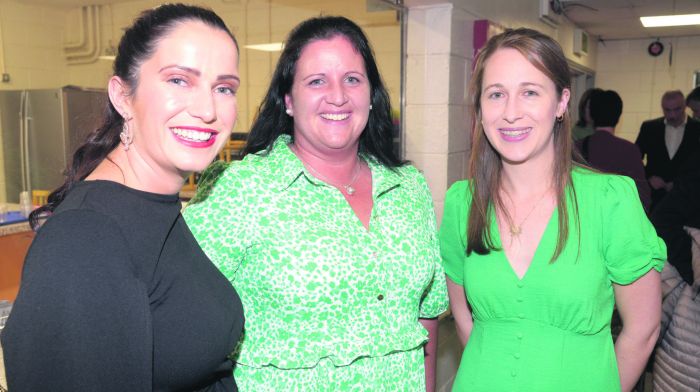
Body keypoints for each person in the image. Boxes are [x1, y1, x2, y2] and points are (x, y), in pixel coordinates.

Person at [184, 16, 448, 392]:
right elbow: (174, 314)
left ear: (371, 96)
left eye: (352, 79)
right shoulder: (242, 189)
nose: (337, 96)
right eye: (316, 81)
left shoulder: (409, 189)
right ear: (289, 100)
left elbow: (426, 317)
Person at [1, 4, 244, 391]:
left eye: (224, 88)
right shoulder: (85, 239)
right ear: (122, 95)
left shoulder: (158, 207)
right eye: (179, 80)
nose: (208, 109)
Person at [440, 28, 665, 392]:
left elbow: (642, 330)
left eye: (530, 92)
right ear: (480, 109)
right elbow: (464, 320)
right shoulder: (462, 202)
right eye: (496, 94)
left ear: (561, 103)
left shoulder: (609, 199)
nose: (511, 113)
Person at [578, 89, 651, 211]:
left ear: (591, 115)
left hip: (584, 219)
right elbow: (643, 198)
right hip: (616, 220)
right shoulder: (629, 151)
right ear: (619, 116)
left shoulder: (576, 147)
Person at [635, 90, 700, 210]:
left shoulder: (697, 129)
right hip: (655, 197)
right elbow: (635, 159)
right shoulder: (649, 128)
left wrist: (680, 183)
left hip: (687, 198)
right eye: (667, 110)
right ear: (662, 108)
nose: (672, 115)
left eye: (677, 109)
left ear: (685, 106)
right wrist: (648, 177)